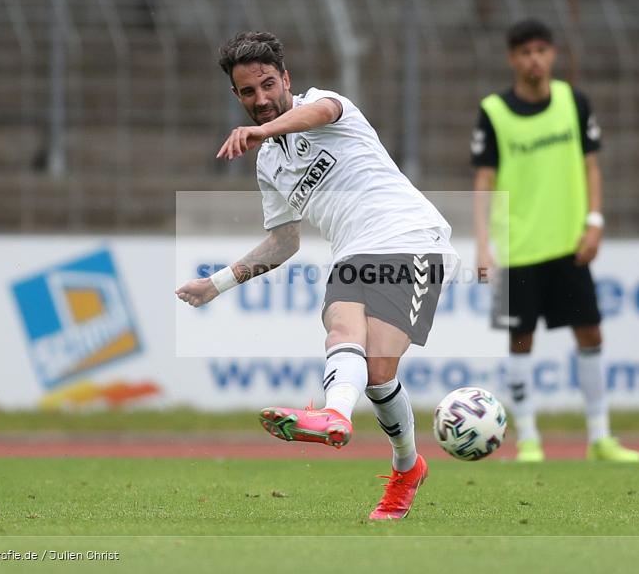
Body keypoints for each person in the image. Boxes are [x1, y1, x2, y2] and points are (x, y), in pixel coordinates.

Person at [176, 31, 458, 520]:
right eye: (248, 92)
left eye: (268, 84)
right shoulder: (269, 163)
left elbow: (320, 113)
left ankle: (398, 463)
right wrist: (216, 284)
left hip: (412, 239)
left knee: (378, 373)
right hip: (354, 254)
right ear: (235, 95)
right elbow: (285, 243)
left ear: (286, 79)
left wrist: (264, 131)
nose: (261, 99)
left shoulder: (327, 105)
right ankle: (346, 425)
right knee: (345, 337)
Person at [471, 19, 639, 463]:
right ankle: (528, 437)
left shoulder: (573, 101)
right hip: (518, 249)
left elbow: (592, 166)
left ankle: (600, 436)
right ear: (513, 58)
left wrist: (595, 221)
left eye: (542, 50)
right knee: (521, 340)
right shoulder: (494, 111)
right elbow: (484, 179)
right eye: (525, 51)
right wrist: (483, 244)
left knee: (590, 331)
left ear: (553, 54)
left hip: (570, 243)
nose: (534, 59)